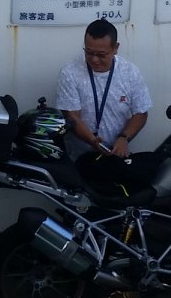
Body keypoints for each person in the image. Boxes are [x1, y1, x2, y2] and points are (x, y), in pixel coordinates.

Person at [54, 18, 155, 187]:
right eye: (89, 52)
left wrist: (124, 138)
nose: (94, 59)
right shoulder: (70, 73)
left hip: (115, 156)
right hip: (78, 157)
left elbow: (141, 113)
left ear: (115, 48)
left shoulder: (130, 72)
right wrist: (93, 141)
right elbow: (72, 116)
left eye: (101, 54)